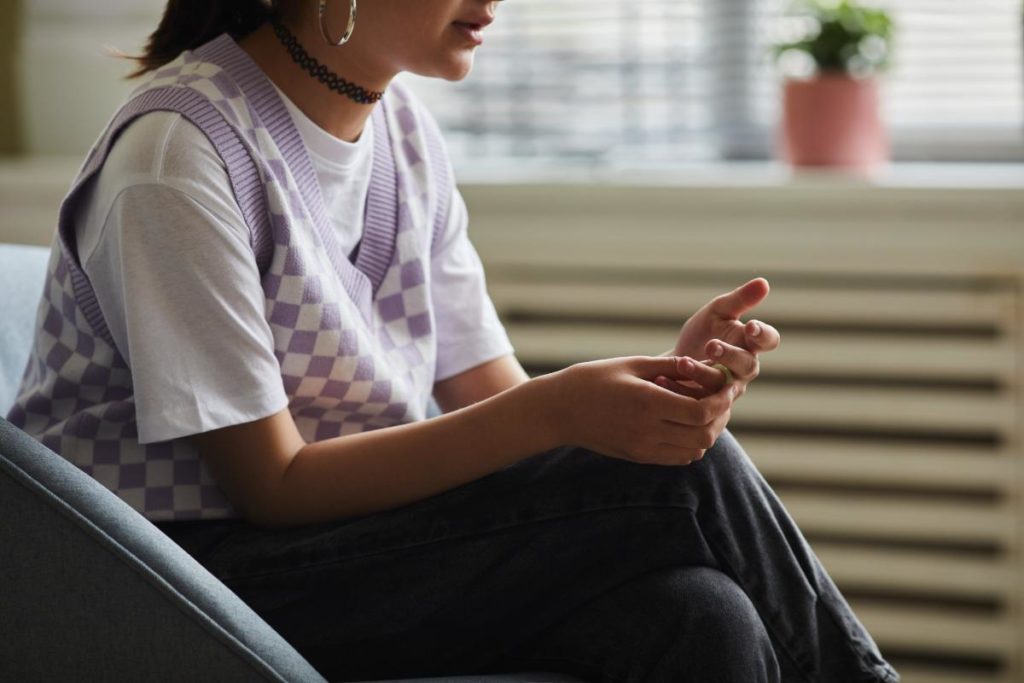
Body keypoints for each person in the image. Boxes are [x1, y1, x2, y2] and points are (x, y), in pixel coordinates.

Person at [6, 0, 900, 681]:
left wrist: (653, 391)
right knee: (684, 481)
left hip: (360, 546)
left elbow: (490, 400)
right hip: (190, 575)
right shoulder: (178, 154)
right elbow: (271, 486)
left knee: (702, 615)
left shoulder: (400, 132)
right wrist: (566, 412)